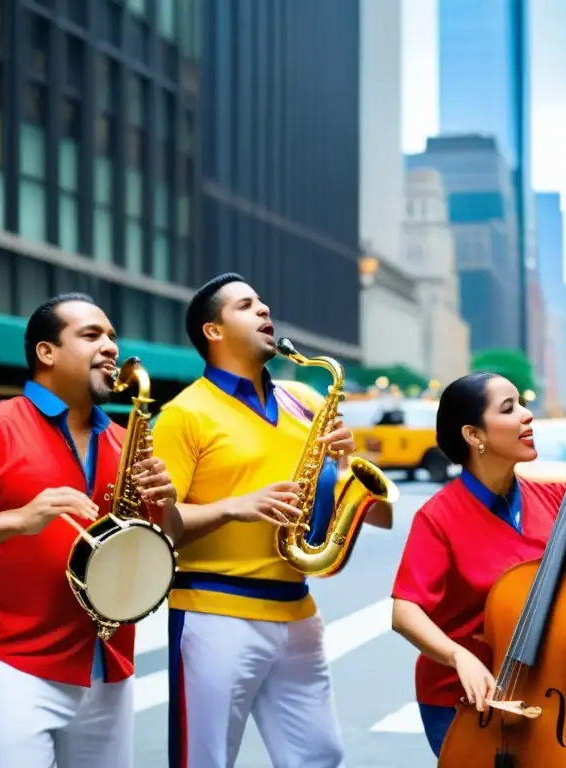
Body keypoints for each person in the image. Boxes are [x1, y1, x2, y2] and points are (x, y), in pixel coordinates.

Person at [0, 293, 182, 768]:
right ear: (46, 353)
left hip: (108, 665)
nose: (110, 346)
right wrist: (18, 519)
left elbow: (167, 540)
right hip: (13, 666)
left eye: (112, 336)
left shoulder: (123, 439)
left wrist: (167, 503)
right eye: (91, 335)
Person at [151, 272, 392, 768]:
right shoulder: (183, 414)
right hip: (216, 614)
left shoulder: (303, 399)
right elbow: (155, 527)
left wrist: (346, 465)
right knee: (204, 761)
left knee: (320, 755)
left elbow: (381, 514)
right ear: (213, 332)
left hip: (299, 612)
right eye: (245, 306)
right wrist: (234, 506)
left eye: (262, 302)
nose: (264, 310)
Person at [390, 372, 566, 757]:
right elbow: (405, 611)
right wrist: (458, 656)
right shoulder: (438, 516)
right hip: (464, 700)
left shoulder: (556, 502)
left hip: (548, 698)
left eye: (522, 403)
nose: (527, 415)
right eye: (508, 408)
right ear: (474, 435)